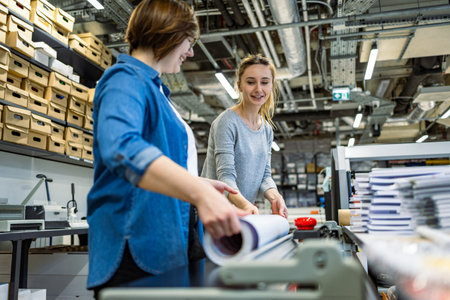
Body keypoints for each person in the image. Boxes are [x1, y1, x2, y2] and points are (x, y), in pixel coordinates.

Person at [86, 0, 246, 297]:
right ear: (169, 33)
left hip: (166, 244)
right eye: (189, 41)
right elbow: (122, 148)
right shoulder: (125, 80)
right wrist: (196, 192)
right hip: (135, 247)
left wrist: (201, 186)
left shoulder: (158, 92)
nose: (191, 51)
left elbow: (159, 163)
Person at [202, 54, 288, 218]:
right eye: (250, 82)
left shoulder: (267, 130)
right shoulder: (227, 122)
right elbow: (225, 178)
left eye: (264, 82)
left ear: (271, 85)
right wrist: (245, 205)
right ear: (239, 85)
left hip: (240, 215)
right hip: (214, 215)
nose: (258, 89)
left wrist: (276, 198)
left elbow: (265, 176)